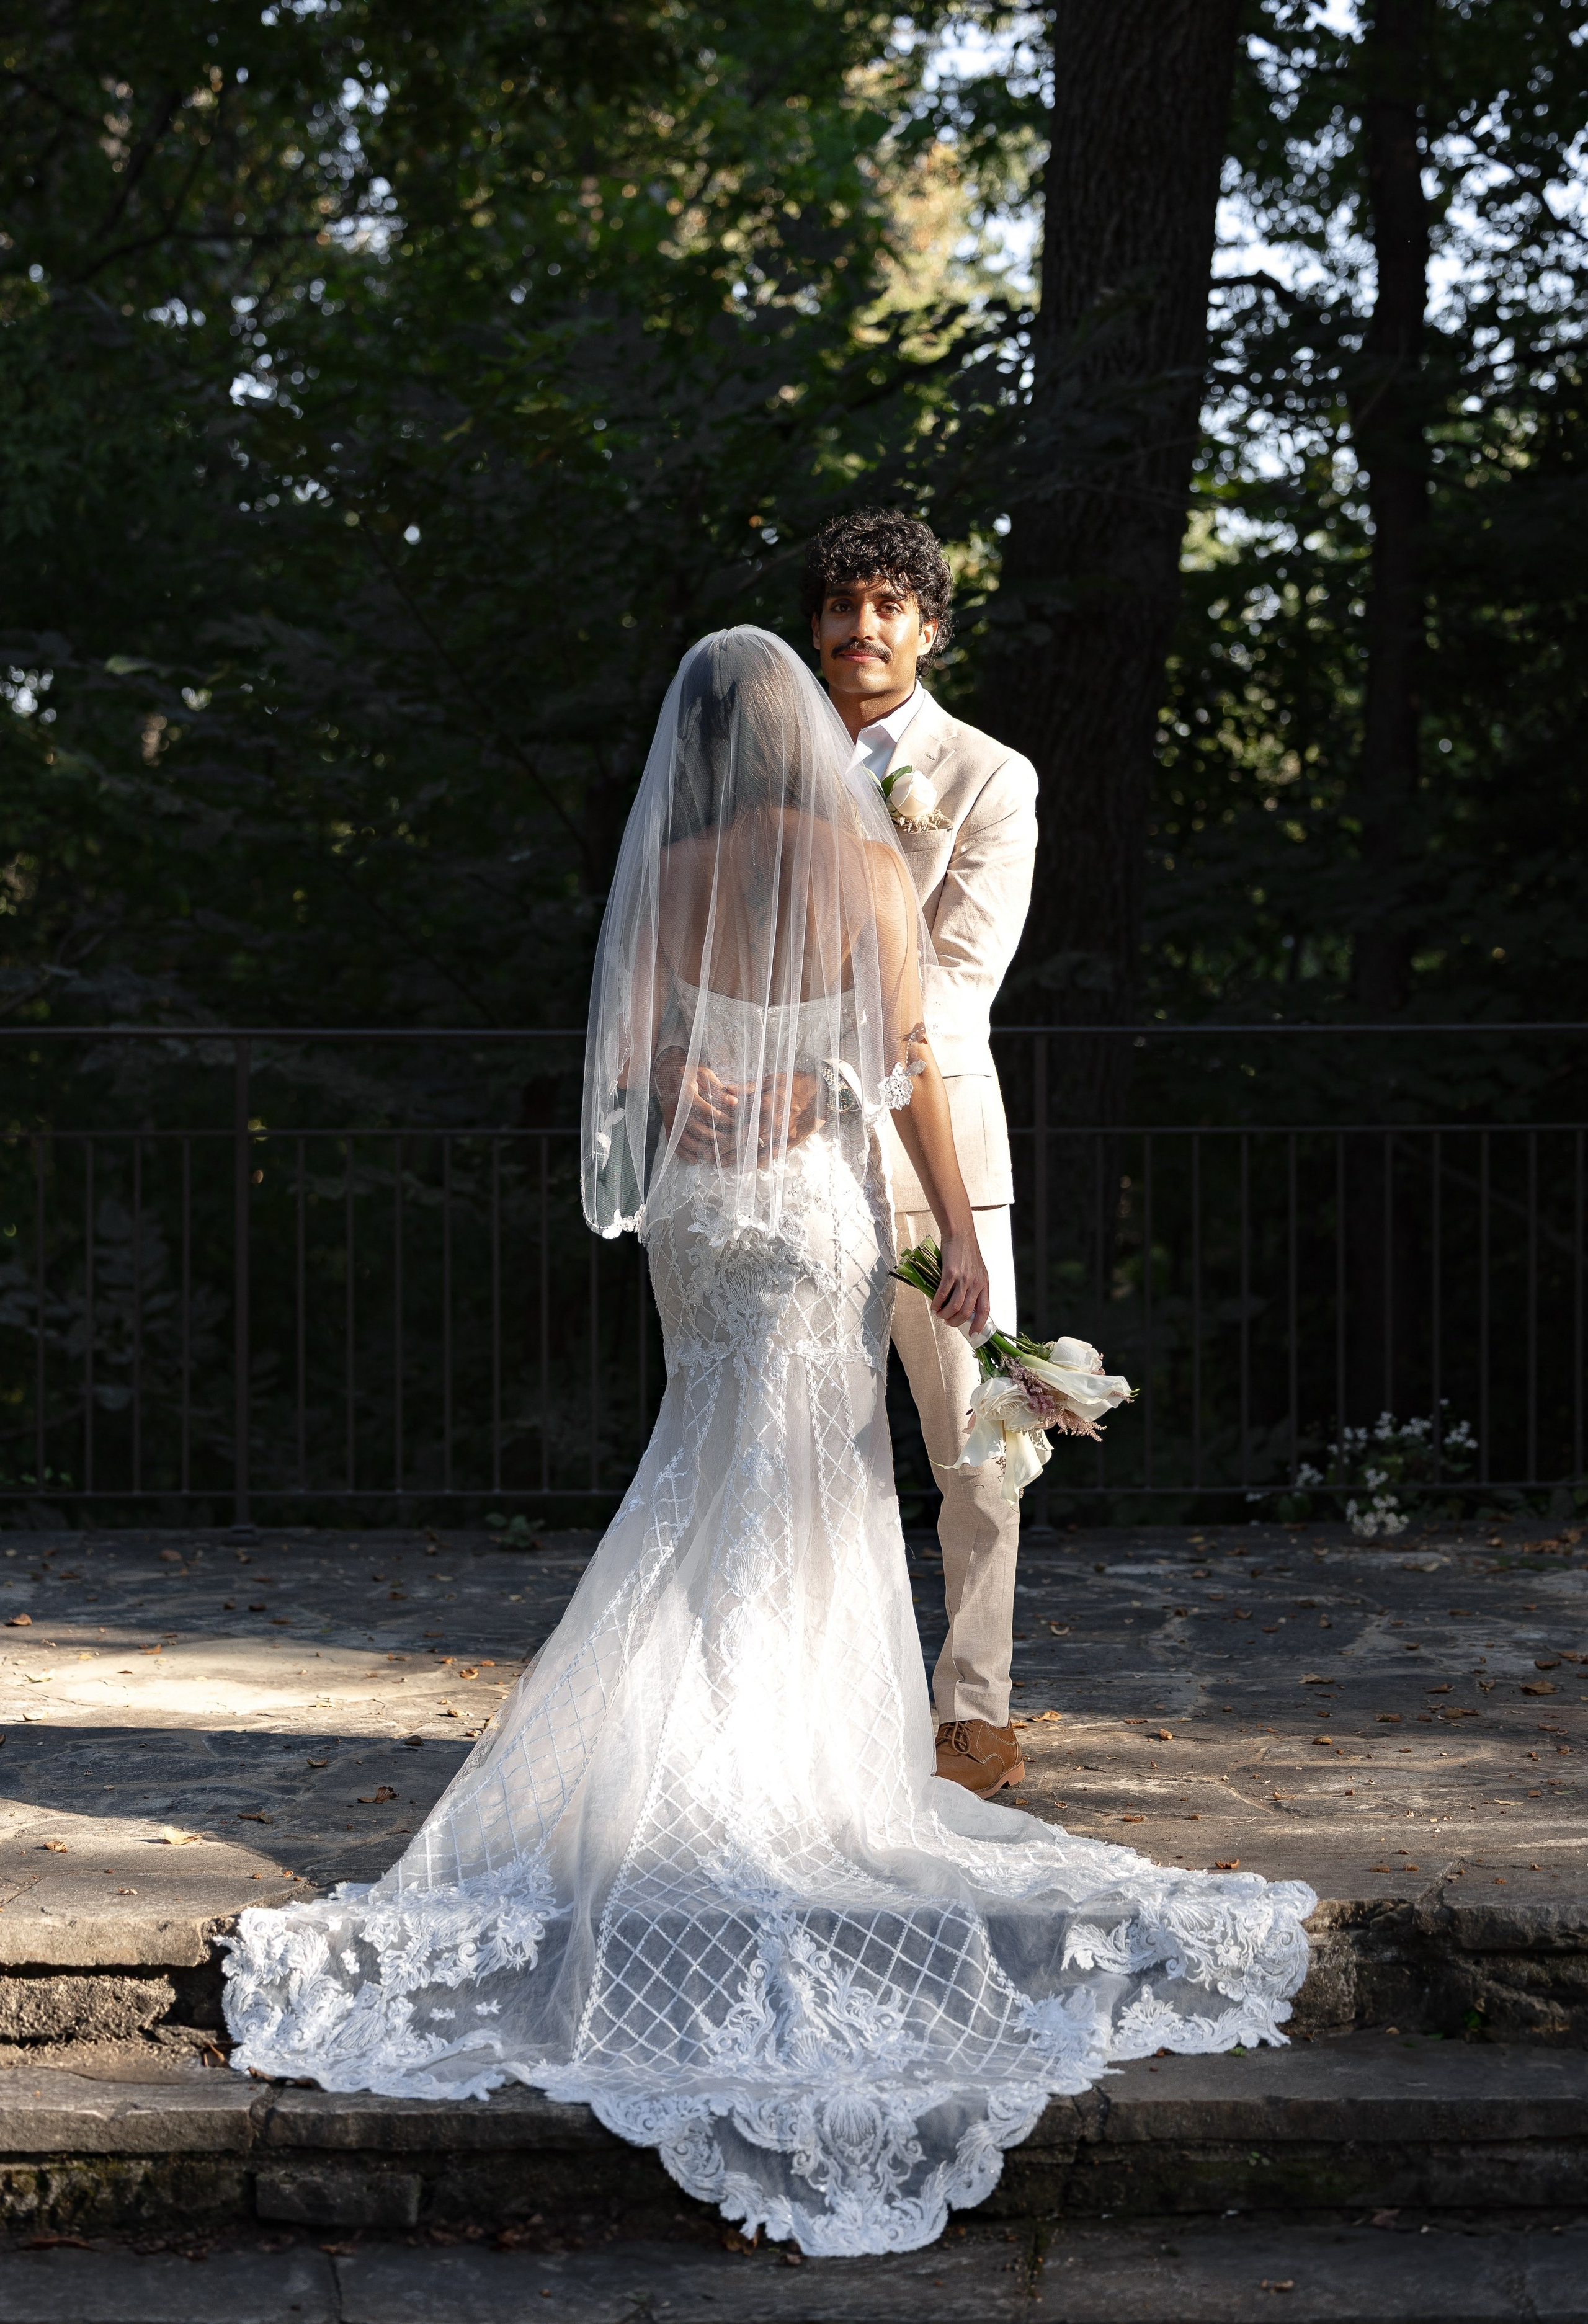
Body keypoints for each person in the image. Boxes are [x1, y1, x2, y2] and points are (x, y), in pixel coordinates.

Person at [221, 627, 1314, 2259]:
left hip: (699, 1220)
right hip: (812, 1212)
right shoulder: (861, 862)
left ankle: (687, 1756)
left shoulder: (673, 864)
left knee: (702, 1467)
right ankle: (782, 1765)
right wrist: (961, 1232)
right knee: (815, 1486)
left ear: (702, 740)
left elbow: (646, 1063)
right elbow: (914, 1065)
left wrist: (700, 1086)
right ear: (802, 731)